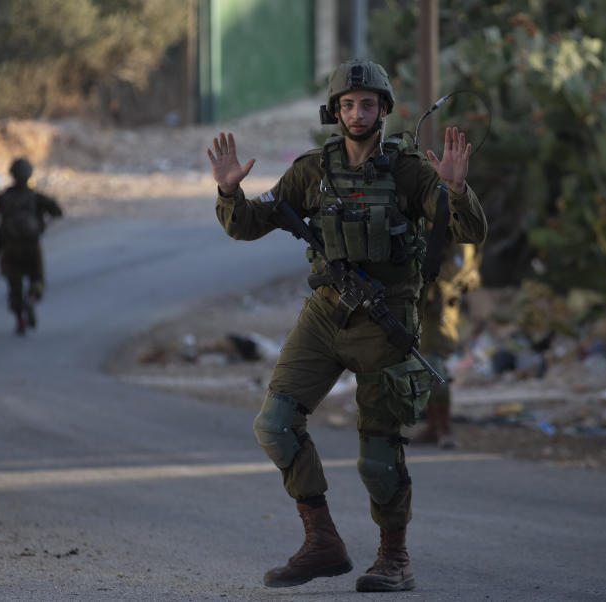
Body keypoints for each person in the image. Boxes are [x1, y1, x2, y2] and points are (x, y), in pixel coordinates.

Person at [207, 59, 487, 592]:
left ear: (383, 109)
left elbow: (469, 231)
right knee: (274, 424)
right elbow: (247, 226)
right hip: (327, 312)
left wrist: (455, 188)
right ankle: (322, 542)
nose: (356, 113)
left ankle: (394, 558)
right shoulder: (312, 170)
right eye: (347, 104)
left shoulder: (409, 171)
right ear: (334, 111)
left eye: (366, 104)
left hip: (387, 322)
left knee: (378, 458)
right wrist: (228, 192)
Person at [411, 242, 482, 449]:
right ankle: (434, 427)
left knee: (436, 368)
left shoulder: (458, 240)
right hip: (424, 309)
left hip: (439, 311)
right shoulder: (433, 234)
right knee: (425, 368)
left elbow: (454, 272)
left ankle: (444, 429)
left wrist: (427, 281)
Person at [0, 158, 63, 335]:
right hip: (31, 245)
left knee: (14, 286)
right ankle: (31, 300)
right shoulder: (36, 197)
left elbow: (1, 215)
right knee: (37, 279)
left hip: (10, 247)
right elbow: (57, 211)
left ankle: (20, 322)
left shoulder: (3, 197)